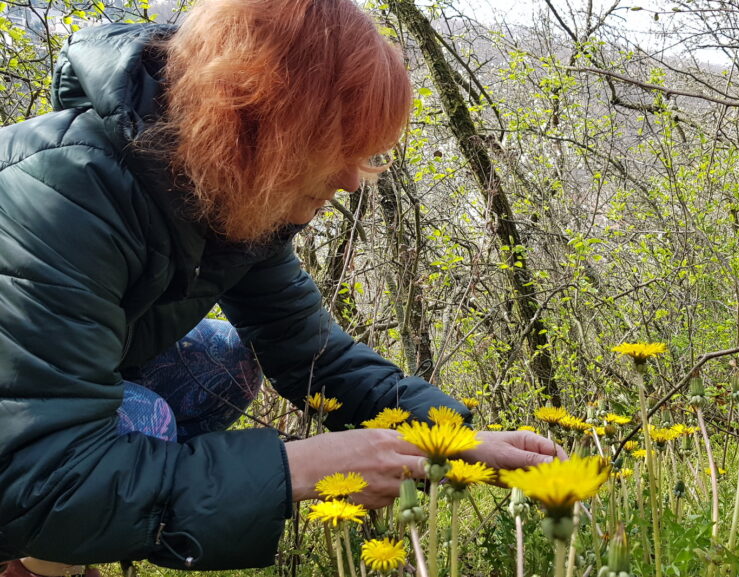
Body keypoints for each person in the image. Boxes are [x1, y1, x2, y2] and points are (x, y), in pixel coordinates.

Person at [0, 0, 566, 572]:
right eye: (335, 144)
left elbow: (310, 351)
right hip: (26, 452)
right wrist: (299, 469)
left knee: (223, 359)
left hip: (36, 413)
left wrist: (455, 439)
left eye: (363, 152)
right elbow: (41, 472)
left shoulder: (230, 195)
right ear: (251, 117)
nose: (351, 180)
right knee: (138, 419)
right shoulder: (60, 197)